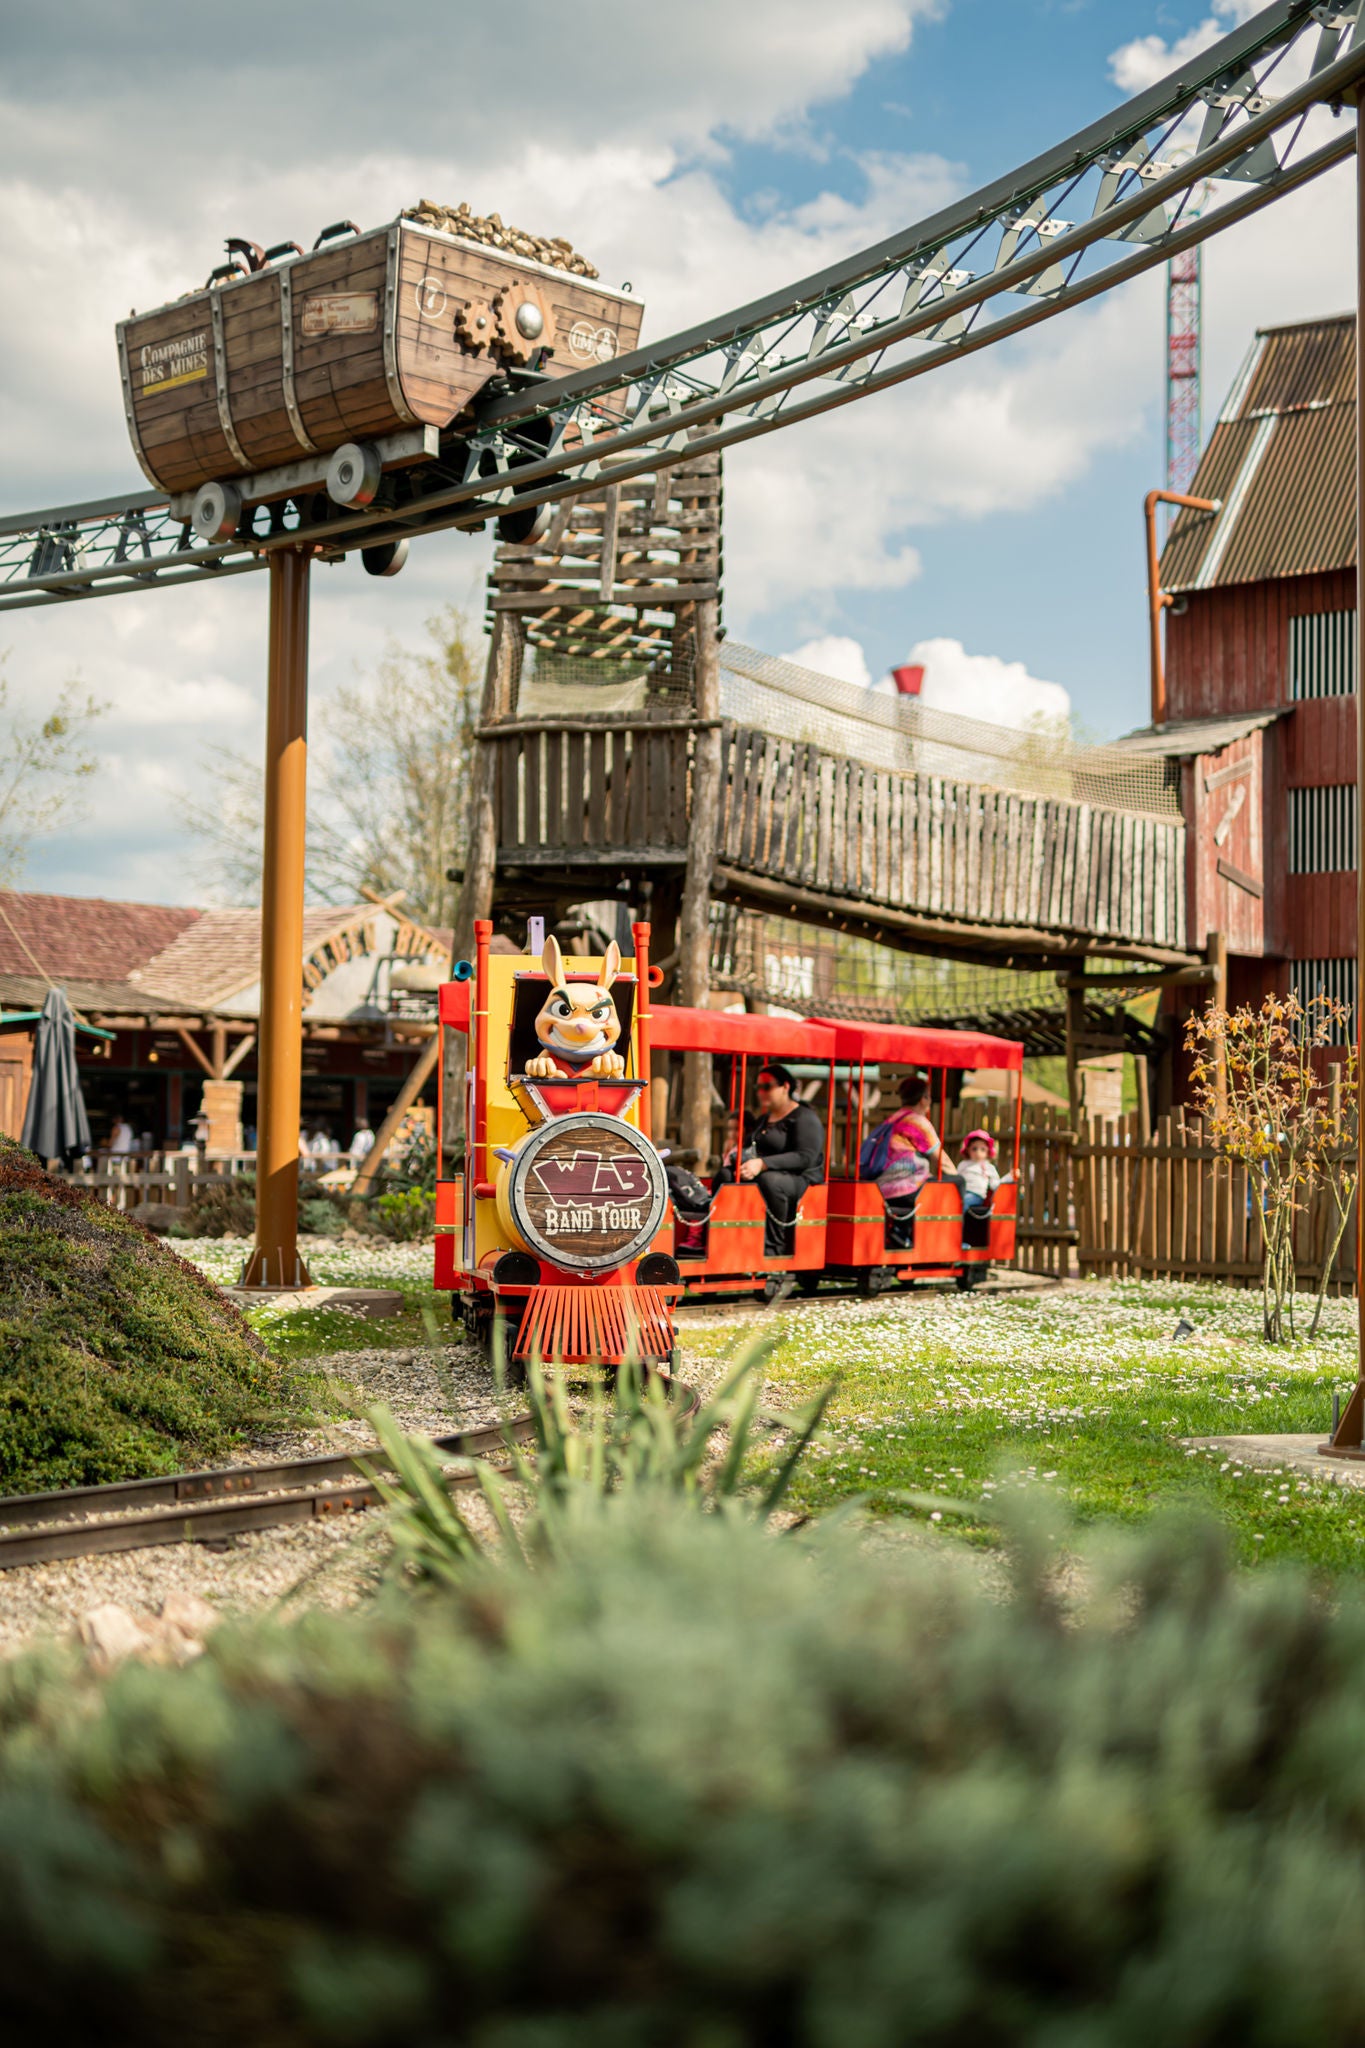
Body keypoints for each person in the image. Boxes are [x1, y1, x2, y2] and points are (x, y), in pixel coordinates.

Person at [739, 1063, 826, 1256]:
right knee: (727, 1175)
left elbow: (806, 1157)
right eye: (758, 1088)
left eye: (767, 1087)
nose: (761, 1092)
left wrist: (763, 1164)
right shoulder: (763, 1119)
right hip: (765, 1173)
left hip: (801, 1179)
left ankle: (776, 1247)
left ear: (785, 1087)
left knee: (771, 1182)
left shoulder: (804, 1117)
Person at [861, 1074, 953, 1248]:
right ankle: (954, 1240)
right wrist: (958, 1176)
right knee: (956, 1183)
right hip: (906, 1187)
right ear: (924, 1099)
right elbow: (942, 1160)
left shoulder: (893, 1119)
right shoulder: (917, 1122)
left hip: (880, 1185)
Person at [951, 1128, 1011, 1245]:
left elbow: (996, 1185)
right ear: (968, 1150)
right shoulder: (963, 1165)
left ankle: (959, 1239)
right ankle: (950, 1236)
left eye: (982, 1149)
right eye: (974, 1148)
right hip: (961, 1193)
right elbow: (957, 1179)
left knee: (962, 1205)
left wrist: (1009, 1177)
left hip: (976, 1195)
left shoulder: (988, 1167)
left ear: (988, 1152)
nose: (978, 1152)